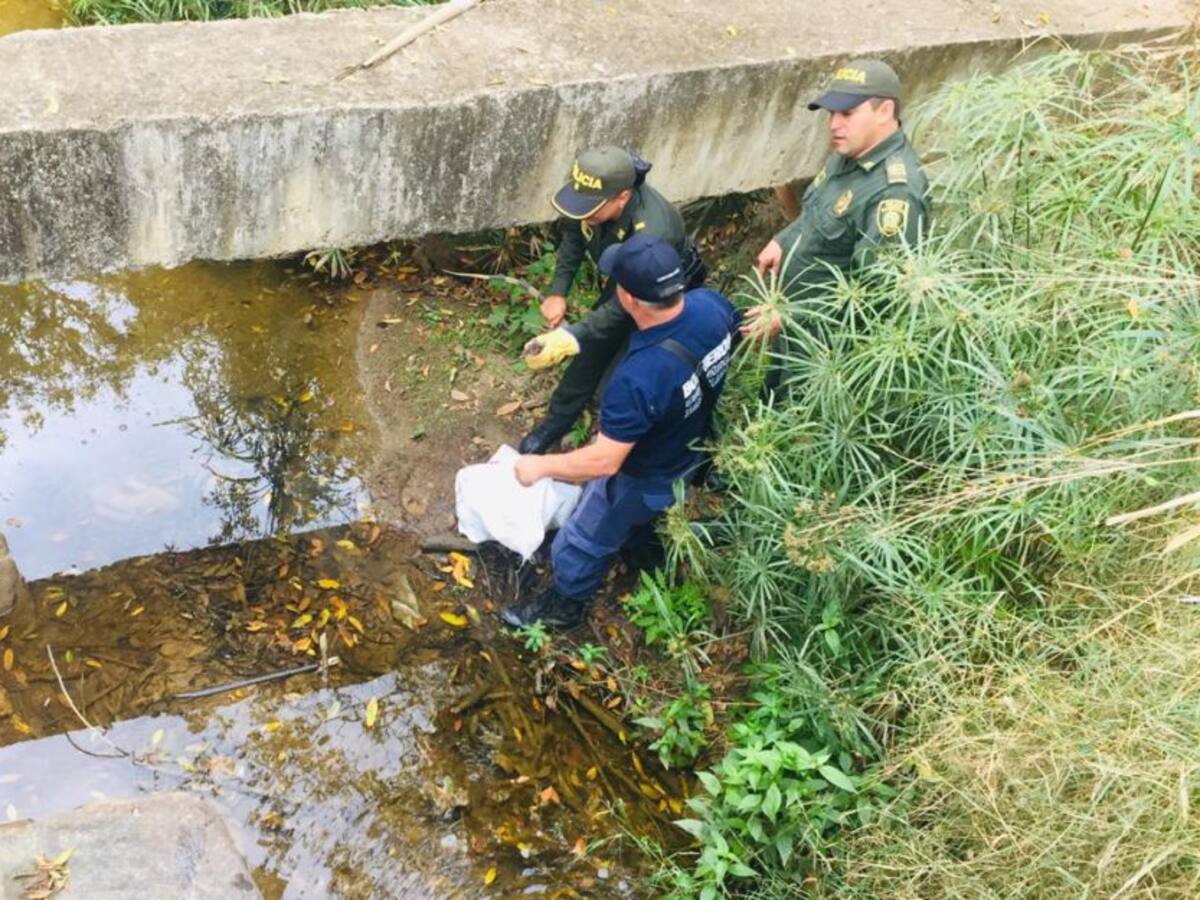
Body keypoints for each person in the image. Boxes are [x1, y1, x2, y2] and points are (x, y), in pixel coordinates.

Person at [501, 234, 738, 630]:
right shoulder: (711, 306)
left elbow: (606, 461)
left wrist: (538, 466)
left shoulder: (636, 379)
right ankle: (644, 553)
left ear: (627, 297)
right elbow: (748, 326)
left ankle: (564, 606)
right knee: (639, 517)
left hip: (644, 474)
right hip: (691, 448)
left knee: (582, 538)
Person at [519, 146, 706, 455]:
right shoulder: (589, 205)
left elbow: (624, 307)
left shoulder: (653, 230)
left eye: (590, 208)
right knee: (590, 350)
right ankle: (557, 421)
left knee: (628, 369)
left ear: (623, 197)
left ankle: (609, 441)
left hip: (655, 296)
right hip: (624, 282)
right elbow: (573, 238)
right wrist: (558, 291)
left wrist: (570, 336)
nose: (584, 213)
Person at [742, 58, 931, 348]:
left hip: (829, 349)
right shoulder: (851, 152)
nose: (834, 124)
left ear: (885, 112)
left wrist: (793, 317)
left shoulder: (893, 195)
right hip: (796, 326)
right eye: (831, 113)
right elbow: (818, 212)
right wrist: (784, 240)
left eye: (847, 113)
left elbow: (877, 298)